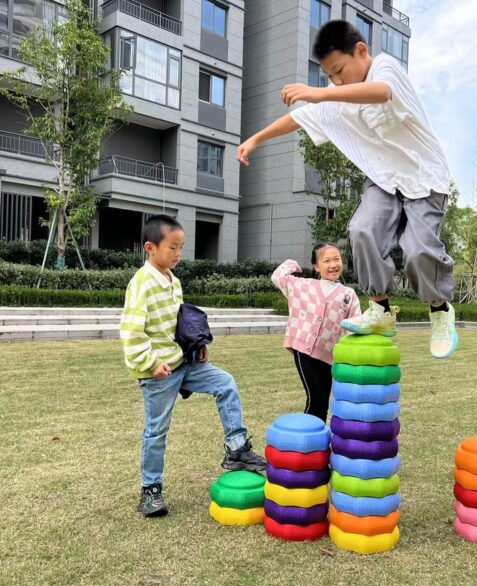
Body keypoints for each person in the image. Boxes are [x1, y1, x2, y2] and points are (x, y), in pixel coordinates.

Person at [237, 20, 458, 358]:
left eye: (339, 70)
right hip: (384, 180)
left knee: (417, 251)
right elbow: (299, 118)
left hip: (424, 178)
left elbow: (380, 93)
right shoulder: (336, 97)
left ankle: (440, 310)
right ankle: (381, 310)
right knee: (361, 230)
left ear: (361, 51)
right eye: (330, 76)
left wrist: (321, 92)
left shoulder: (385, 68)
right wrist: (254, 140)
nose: (336, 81)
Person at [120, 215, 266, 518]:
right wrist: (151, 362)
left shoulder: (174, 281)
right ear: (150, 247)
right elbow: (131, 332)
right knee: (156, 430)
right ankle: (150, 491)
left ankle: (237, 449)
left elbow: (180, 323)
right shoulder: (141, 283)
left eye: (181, 248)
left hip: (185, 362)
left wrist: (197, 345)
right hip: (159, 372)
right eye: (172, 247)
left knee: (225, 383)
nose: (178, 254)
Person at [272, 242, 361, 422]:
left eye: (337, 259)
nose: (333, 264)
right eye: (326, 260)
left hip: (329, 356)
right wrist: (293, 264)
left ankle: (318, 444)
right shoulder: (303, 286)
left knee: (323, 403)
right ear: (316, 267)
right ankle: (306, 442)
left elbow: (356, 322)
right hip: (304, 351)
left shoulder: (348, 294)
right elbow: (278, 276)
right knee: (315, 399)